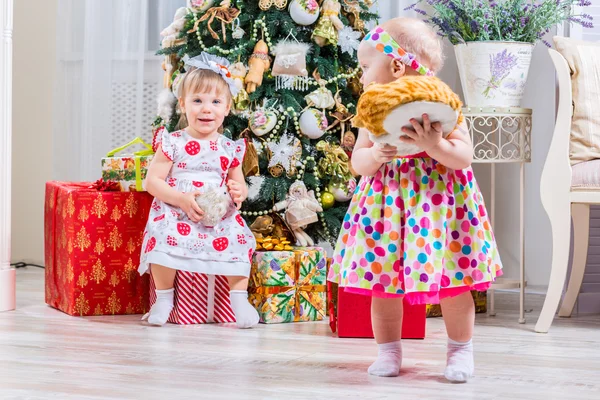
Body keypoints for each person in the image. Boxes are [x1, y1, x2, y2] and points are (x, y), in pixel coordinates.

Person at [327, 18, 503, 383]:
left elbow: (463, 157)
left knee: (453, 284)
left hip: (439, 209)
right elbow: (358, 162)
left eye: (364, 67)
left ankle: (460, 350)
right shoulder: (373, 108)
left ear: (395, 65)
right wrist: (375, 154)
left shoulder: (441, 102)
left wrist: (434, 145)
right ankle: (388, 351)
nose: (361, 77)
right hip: (387, 209)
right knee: (383, 283)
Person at [139, 52, 259, 329]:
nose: (207, 109)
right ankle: (165, 298)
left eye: (216, 102)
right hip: (176, 211)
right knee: (161, 236)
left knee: (239, 241)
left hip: (216, 214)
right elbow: (152, 182)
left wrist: (238, 194)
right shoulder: (173, 142)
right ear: (182, 104)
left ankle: (239, 299)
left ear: (227, 107)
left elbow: (238, 185)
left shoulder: (231, 148)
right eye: (197, 101)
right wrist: (180, 199)